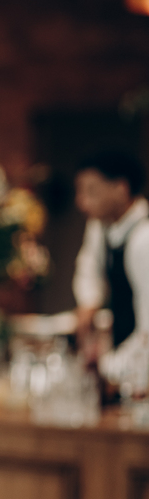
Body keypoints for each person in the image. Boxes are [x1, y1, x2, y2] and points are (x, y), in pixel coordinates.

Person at [73, 151, 148, 384]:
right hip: (125, 358)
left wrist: (109, 368)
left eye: (92, 191)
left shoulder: (144, 238)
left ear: (121, 188)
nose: (82, 202)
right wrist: (89, 303)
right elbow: (89, 267)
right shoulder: (100, 227)